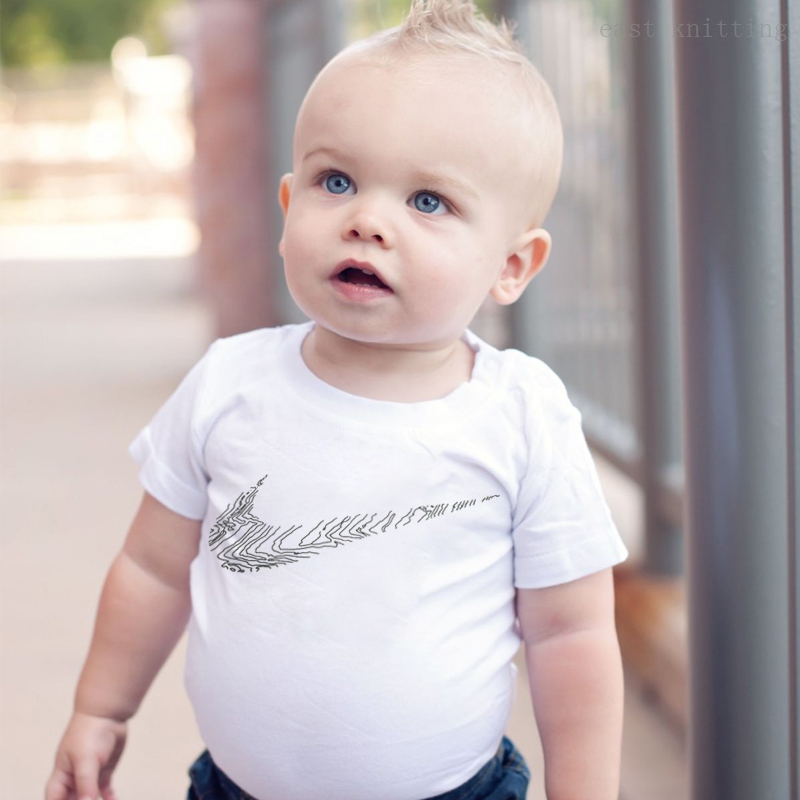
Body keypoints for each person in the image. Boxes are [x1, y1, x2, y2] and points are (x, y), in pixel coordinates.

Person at [45, 1, 629, 799]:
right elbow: (152, 568)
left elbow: (571, 633)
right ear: (289, 209)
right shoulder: (230, 385)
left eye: (428, 201)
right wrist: (100, 708)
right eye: (337, 181)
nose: (367, 221)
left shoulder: (519, 416)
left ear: (512, 265)